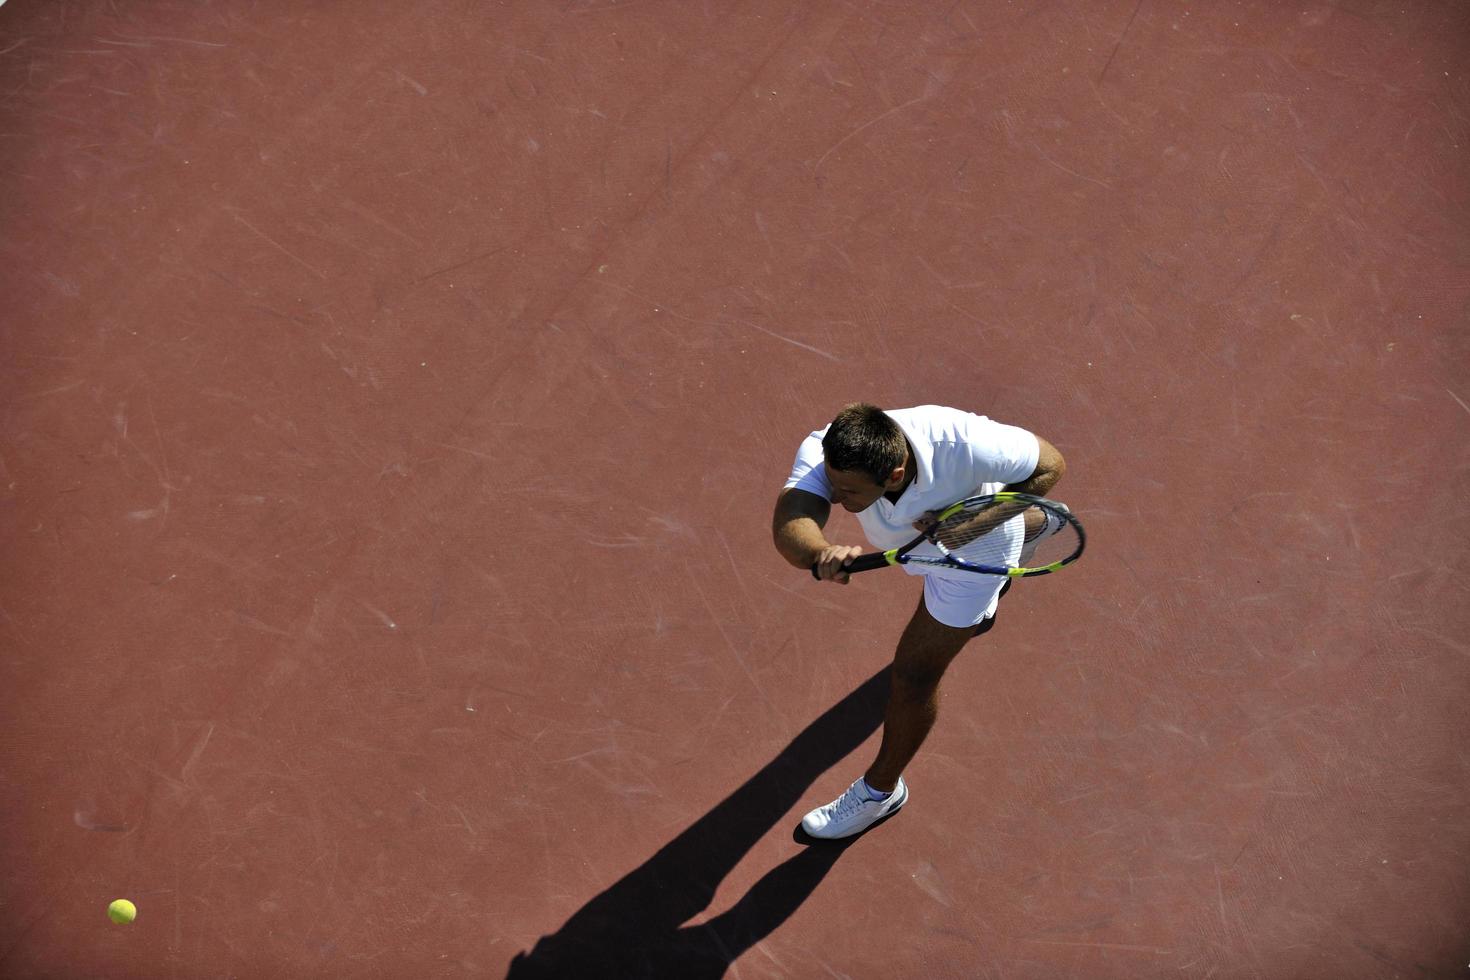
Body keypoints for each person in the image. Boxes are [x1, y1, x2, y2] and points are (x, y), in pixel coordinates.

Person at [771, 403, 1067, 839]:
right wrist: (819, 553)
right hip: (914, 542)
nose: (835, 497)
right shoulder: (828, 449)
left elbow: (1050, 464)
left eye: (848, 492)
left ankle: (880, 793)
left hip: (975, 548)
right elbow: (792, 520)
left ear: (894, 475)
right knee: (972, 623)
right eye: (832, 485)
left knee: (914, 676)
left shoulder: (962, 442)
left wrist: (977, 521)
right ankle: (1033, 528)